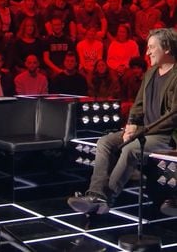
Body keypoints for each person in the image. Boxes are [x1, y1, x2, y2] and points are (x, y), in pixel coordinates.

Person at [67, 28, 177, 214]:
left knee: (131, 148)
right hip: (144, 130)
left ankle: (107, 198)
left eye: (151, 47)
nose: (147, 52)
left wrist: (140, 132)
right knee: (105, 142)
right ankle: (95, 193)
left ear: (166, 48)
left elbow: (173, 117)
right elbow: (138, 104)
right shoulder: (150, 73)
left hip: (165, 135)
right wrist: (131, 124)